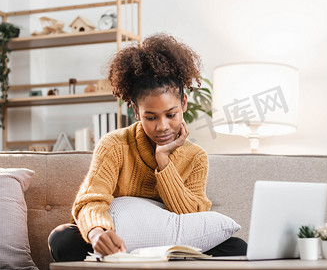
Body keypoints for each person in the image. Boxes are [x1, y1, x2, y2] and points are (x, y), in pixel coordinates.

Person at [48, 33, 247, 261]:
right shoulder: (114, 145)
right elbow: (91, 199)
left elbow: (194, 216)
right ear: (135, 110)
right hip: (119, 243)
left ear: (183, 103)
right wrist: (96, 234)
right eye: (150, 117)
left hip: (172, 244)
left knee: (236, 247)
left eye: (171, 115)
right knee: (62, 238)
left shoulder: (196, 157)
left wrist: (163, 161)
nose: (162, 127)